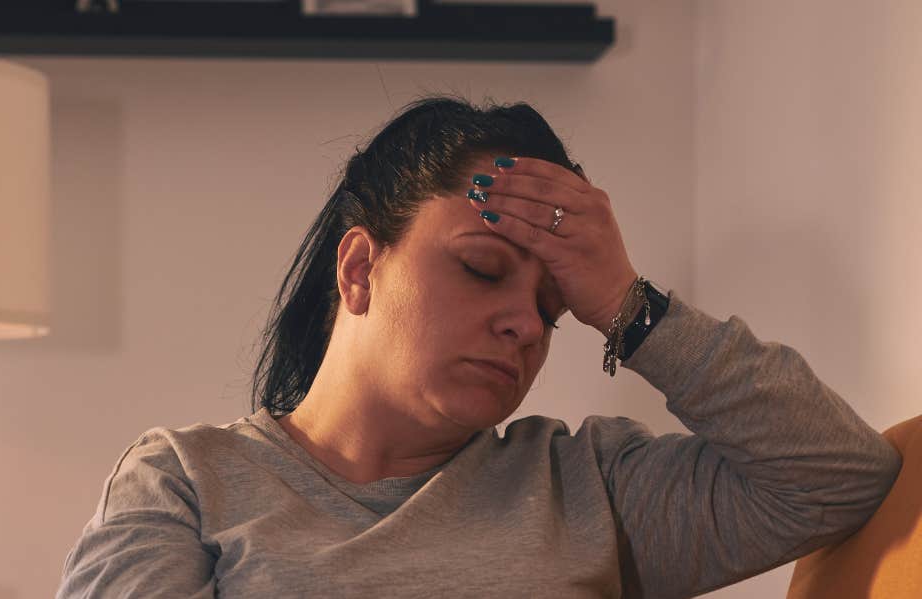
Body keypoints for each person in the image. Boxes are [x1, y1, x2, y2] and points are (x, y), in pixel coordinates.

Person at [54, 96, 901, 598]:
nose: (527, 325)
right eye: (481, 268)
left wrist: (631, 310)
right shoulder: (182, 481)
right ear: (359, 269)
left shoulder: (587, 487)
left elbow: (838, 476)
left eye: (554, 304)